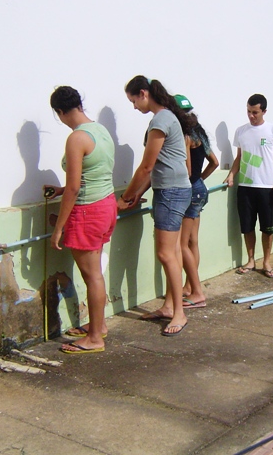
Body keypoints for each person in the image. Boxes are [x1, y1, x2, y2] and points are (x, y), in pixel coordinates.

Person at [118, 76, 194, 336]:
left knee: (165, 254)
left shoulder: (161, 119)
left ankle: (179, 313)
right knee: (172, 251)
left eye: (133, 100)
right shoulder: (166, 117)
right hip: (172, 190)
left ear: (143, 93)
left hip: (172, 193)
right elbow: (159, 167)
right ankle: (169, 306)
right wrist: (138, 194)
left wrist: (125, 197)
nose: (134, 106)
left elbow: (146, 167)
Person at [44, 86, 117, 354]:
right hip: (106, 204)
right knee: (95, 273)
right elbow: (92, 173)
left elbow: (74, 188)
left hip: (87, 211)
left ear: (60, 112)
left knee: (92, 275)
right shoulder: (100, 130)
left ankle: (95, 338)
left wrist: (58, 228)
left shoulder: (76, 138)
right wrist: (62, 190)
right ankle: (99, 326)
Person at [224, 94, 273, 278]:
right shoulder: (241, 131)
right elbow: (239, 157)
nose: (251, 116)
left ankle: (266, 262)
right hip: (245, 187)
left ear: (264, 111)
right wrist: (231, 175)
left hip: (267, 187)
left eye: (255, 112)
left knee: (268, 228)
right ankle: (251, 260)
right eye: (249, 111)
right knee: (247, 226)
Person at [173, 94, 219, 308]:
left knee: (182, 244)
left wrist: (193, 180)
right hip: (199, 190)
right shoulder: (199, 132)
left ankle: (195, 290)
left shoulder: (185, 135)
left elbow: (188, 170)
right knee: (193, 241)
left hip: (190, 190)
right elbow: (214, 162)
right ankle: (189, 286)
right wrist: (201, 180)